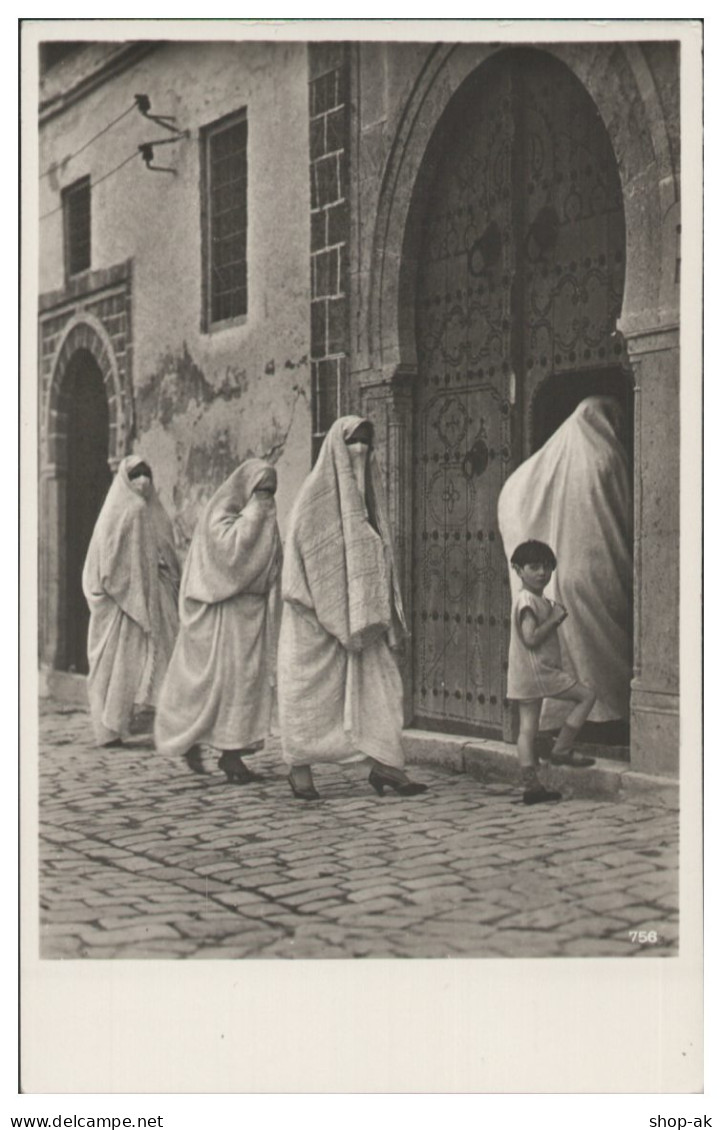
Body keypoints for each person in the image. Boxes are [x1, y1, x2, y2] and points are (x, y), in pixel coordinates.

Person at [278, 415, 427, 800]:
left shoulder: (369, 500)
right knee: (309, 698)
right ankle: (300, 772)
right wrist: (334, 614)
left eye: (366, 442)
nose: (360, 450)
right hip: (314, 620)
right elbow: (302, 565)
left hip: (364, 620)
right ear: (336, 449)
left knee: (382, 688)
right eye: (353, 442)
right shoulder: (312, 498)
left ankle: (388, 768)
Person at [497, 395, 633, 735]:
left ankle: (567, 721)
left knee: (570, 646)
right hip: (600, 569)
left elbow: (513, 493)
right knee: (604, 645)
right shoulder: (608, 456)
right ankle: (609, 717)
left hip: (561, 576)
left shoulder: (552, 460)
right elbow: (627, 511)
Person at [154, 459, 282, 784]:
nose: (266, 499)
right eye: (261, 491)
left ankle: (232, 755)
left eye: (271, 492)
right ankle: (188, 739)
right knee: (209, 683)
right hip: (220, 615)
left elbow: (273, 565)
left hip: (250, 618)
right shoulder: (220, 517)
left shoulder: (265, 517)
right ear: (247, 488)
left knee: (243, 685)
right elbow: (229, 559)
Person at [82, 454, 180, 748]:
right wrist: (138, 593)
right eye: (136, 475)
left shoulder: (141, 509)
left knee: (127, 667)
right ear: (126, 480)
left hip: (140, 598)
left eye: (145, 474)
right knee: (119, 667)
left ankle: (117, 726)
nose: (142, 480)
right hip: (125, 604)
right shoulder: (134, 510)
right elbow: (117, 564)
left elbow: (160, 552)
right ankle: (111, 727)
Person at [506, 539, 597, 805]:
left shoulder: (535, 598)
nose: (542, 573)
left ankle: (531, 786)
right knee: (587, 696)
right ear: (518, 569)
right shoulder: (527, 601)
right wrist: (555, 619)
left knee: (527, 730)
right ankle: (562, 749)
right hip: (539, 672)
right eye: (533, 567)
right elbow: (531, 638)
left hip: (525, 674)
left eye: (547, 567)